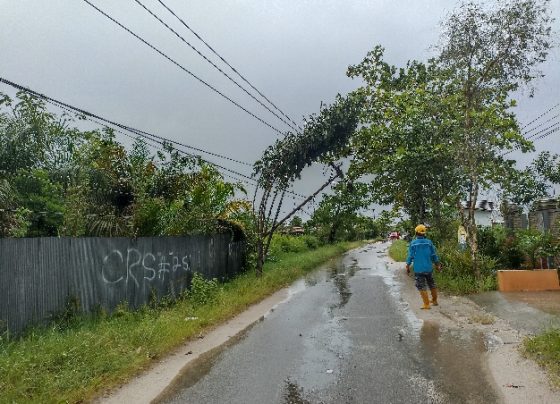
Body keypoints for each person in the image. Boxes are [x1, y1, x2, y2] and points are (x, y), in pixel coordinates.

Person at [405, 224, 442, 309]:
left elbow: (410, 256)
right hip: (429, 268)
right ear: (424, 233)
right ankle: (435, 301)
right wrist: (437, 264)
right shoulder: (429, 242)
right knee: (432, 284)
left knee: (421, 286)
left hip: (419, 269)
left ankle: (426, 304)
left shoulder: (413, 243)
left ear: (416, 233)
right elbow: (433, 255)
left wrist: (407, 265)